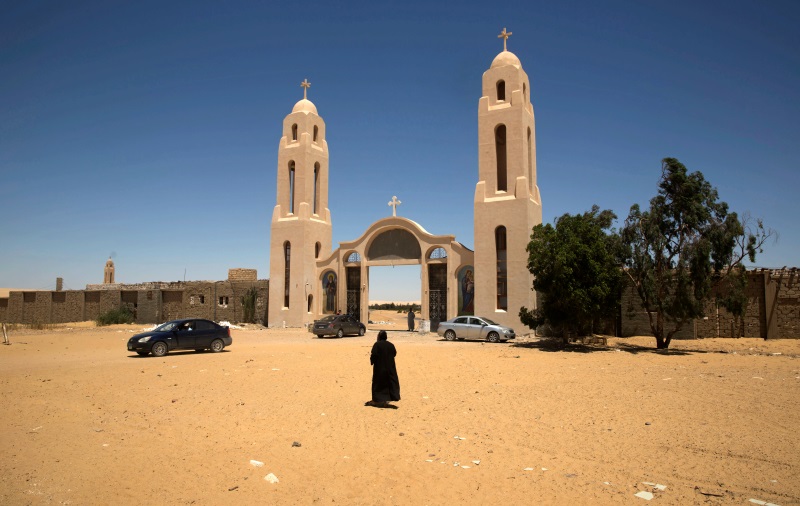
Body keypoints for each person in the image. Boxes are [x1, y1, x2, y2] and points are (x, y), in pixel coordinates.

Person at [365, 330, 400, 409]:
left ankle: (376, 400)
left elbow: (374, 355)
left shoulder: (377, 345)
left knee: (378, 384)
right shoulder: (391, 345)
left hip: (380, 368)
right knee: (388, 384)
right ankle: (385, 400)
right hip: (390, 368)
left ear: (379, 337)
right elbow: (394, 353)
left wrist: (372, 361)